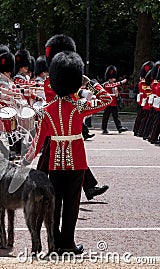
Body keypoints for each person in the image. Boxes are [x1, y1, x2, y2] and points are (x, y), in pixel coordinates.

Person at [24, 51, 112, 254]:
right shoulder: (80, 106)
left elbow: (38, 141)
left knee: (54, 205)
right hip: (77, 161)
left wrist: (26, 159)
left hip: (55, 162)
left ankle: (53, 245)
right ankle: (68, 244)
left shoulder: (46, 110)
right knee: (72, 205)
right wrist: (90, 82)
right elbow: (106, 99)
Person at [101, 65, 128, 134]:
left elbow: (116, 92)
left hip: (114, 103)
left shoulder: (114, 84)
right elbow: (110, 87)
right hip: (108, 103)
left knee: (116, 116)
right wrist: (121, 82)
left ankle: (119, 127)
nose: (114, 79)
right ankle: (104, 128)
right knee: (105, 117)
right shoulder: (105, 84)